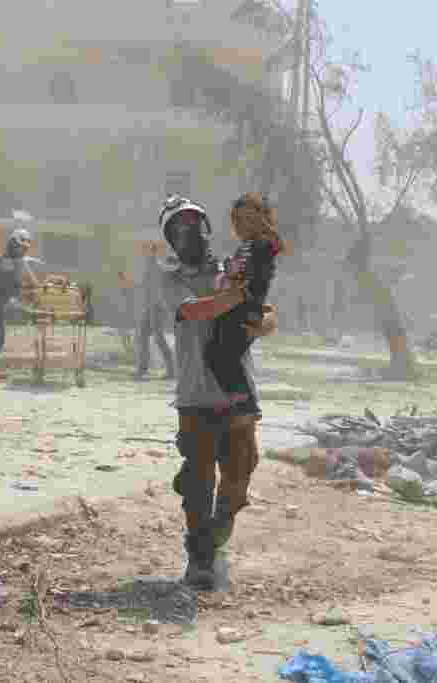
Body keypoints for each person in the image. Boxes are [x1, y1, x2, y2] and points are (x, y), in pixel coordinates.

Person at [156, 194, 278, 591]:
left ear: (206, 228)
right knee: (197, 479)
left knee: (241, 470)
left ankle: (216, 537)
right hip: (195, 395)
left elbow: (265, 309)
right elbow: (195, 311)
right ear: (171, 239)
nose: (188, 232)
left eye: (193, 224)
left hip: (238, 391)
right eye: (178, 228)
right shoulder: (170, 280)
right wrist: (238, 298)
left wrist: (263, 323)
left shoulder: (234, 267)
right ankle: (200, 558)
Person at [204, 193, 282, 408]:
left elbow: (259, 269)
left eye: (248, 219)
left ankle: (244, 402)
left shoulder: (262, 244)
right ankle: (239, 399)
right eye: (236, 220)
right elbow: (236, 273)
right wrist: (230, 272)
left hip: (247, 307)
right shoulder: (245, 246)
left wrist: (238, 274)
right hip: (236, 304)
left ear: (260, 220)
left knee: (221, 355)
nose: (240, 225)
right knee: (216, 352)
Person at [0, 229, 38, 369]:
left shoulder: (19, 260)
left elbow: (31, 280)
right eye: (21, 247)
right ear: (13, 245)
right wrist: (26, 291)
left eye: (25, 248)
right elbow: (12, 283)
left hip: (1, 302)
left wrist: (39, 288)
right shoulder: (4, 261)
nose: (23, 250)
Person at [134, 241, 175, 381]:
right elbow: (143, 286)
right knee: (142, 336)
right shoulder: (147, 267)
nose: (147, 254)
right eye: (146, 251)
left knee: (158, 338)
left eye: (150, 251)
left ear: (154, 253)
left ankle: (171, 370)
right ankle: (142, 369)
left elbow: (164, 282)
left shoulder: (159, 267)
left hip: (158, 306)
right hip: (149, 306)